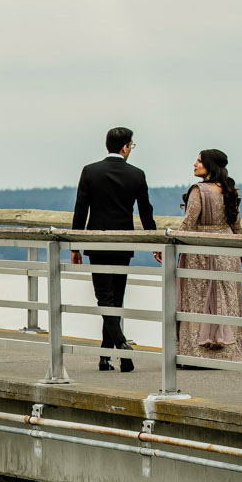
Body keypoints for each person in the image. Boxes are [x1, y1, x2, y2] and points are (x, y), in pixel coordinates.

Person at [71, 126, 157, 372]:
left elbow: (81, 210)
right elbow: (145, 212)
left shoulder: (90, 171)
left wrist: (75, 245)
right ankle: (114, 352)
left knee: (105, 298)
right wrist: (153, 241)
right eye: (132, 145)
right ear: (125, 147)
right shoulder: (137, 175)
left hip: (96, 243)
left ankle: (114, 351)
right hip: (123, 243)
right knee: (115, 298)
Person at [176, 148, 242, 365]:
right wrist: (240, 251)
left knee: (199, 299)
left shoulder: (198, 191)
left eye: (199, 161)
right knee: (227, 300)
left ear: (210, 165)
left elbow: (189, 223)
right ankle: (229, 354)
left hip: (201, 251)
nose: (194, 164)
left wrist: (170, 244)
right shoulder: (228, 190)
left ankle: (197, 355)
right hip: (227, 249)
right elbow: (236, 225)